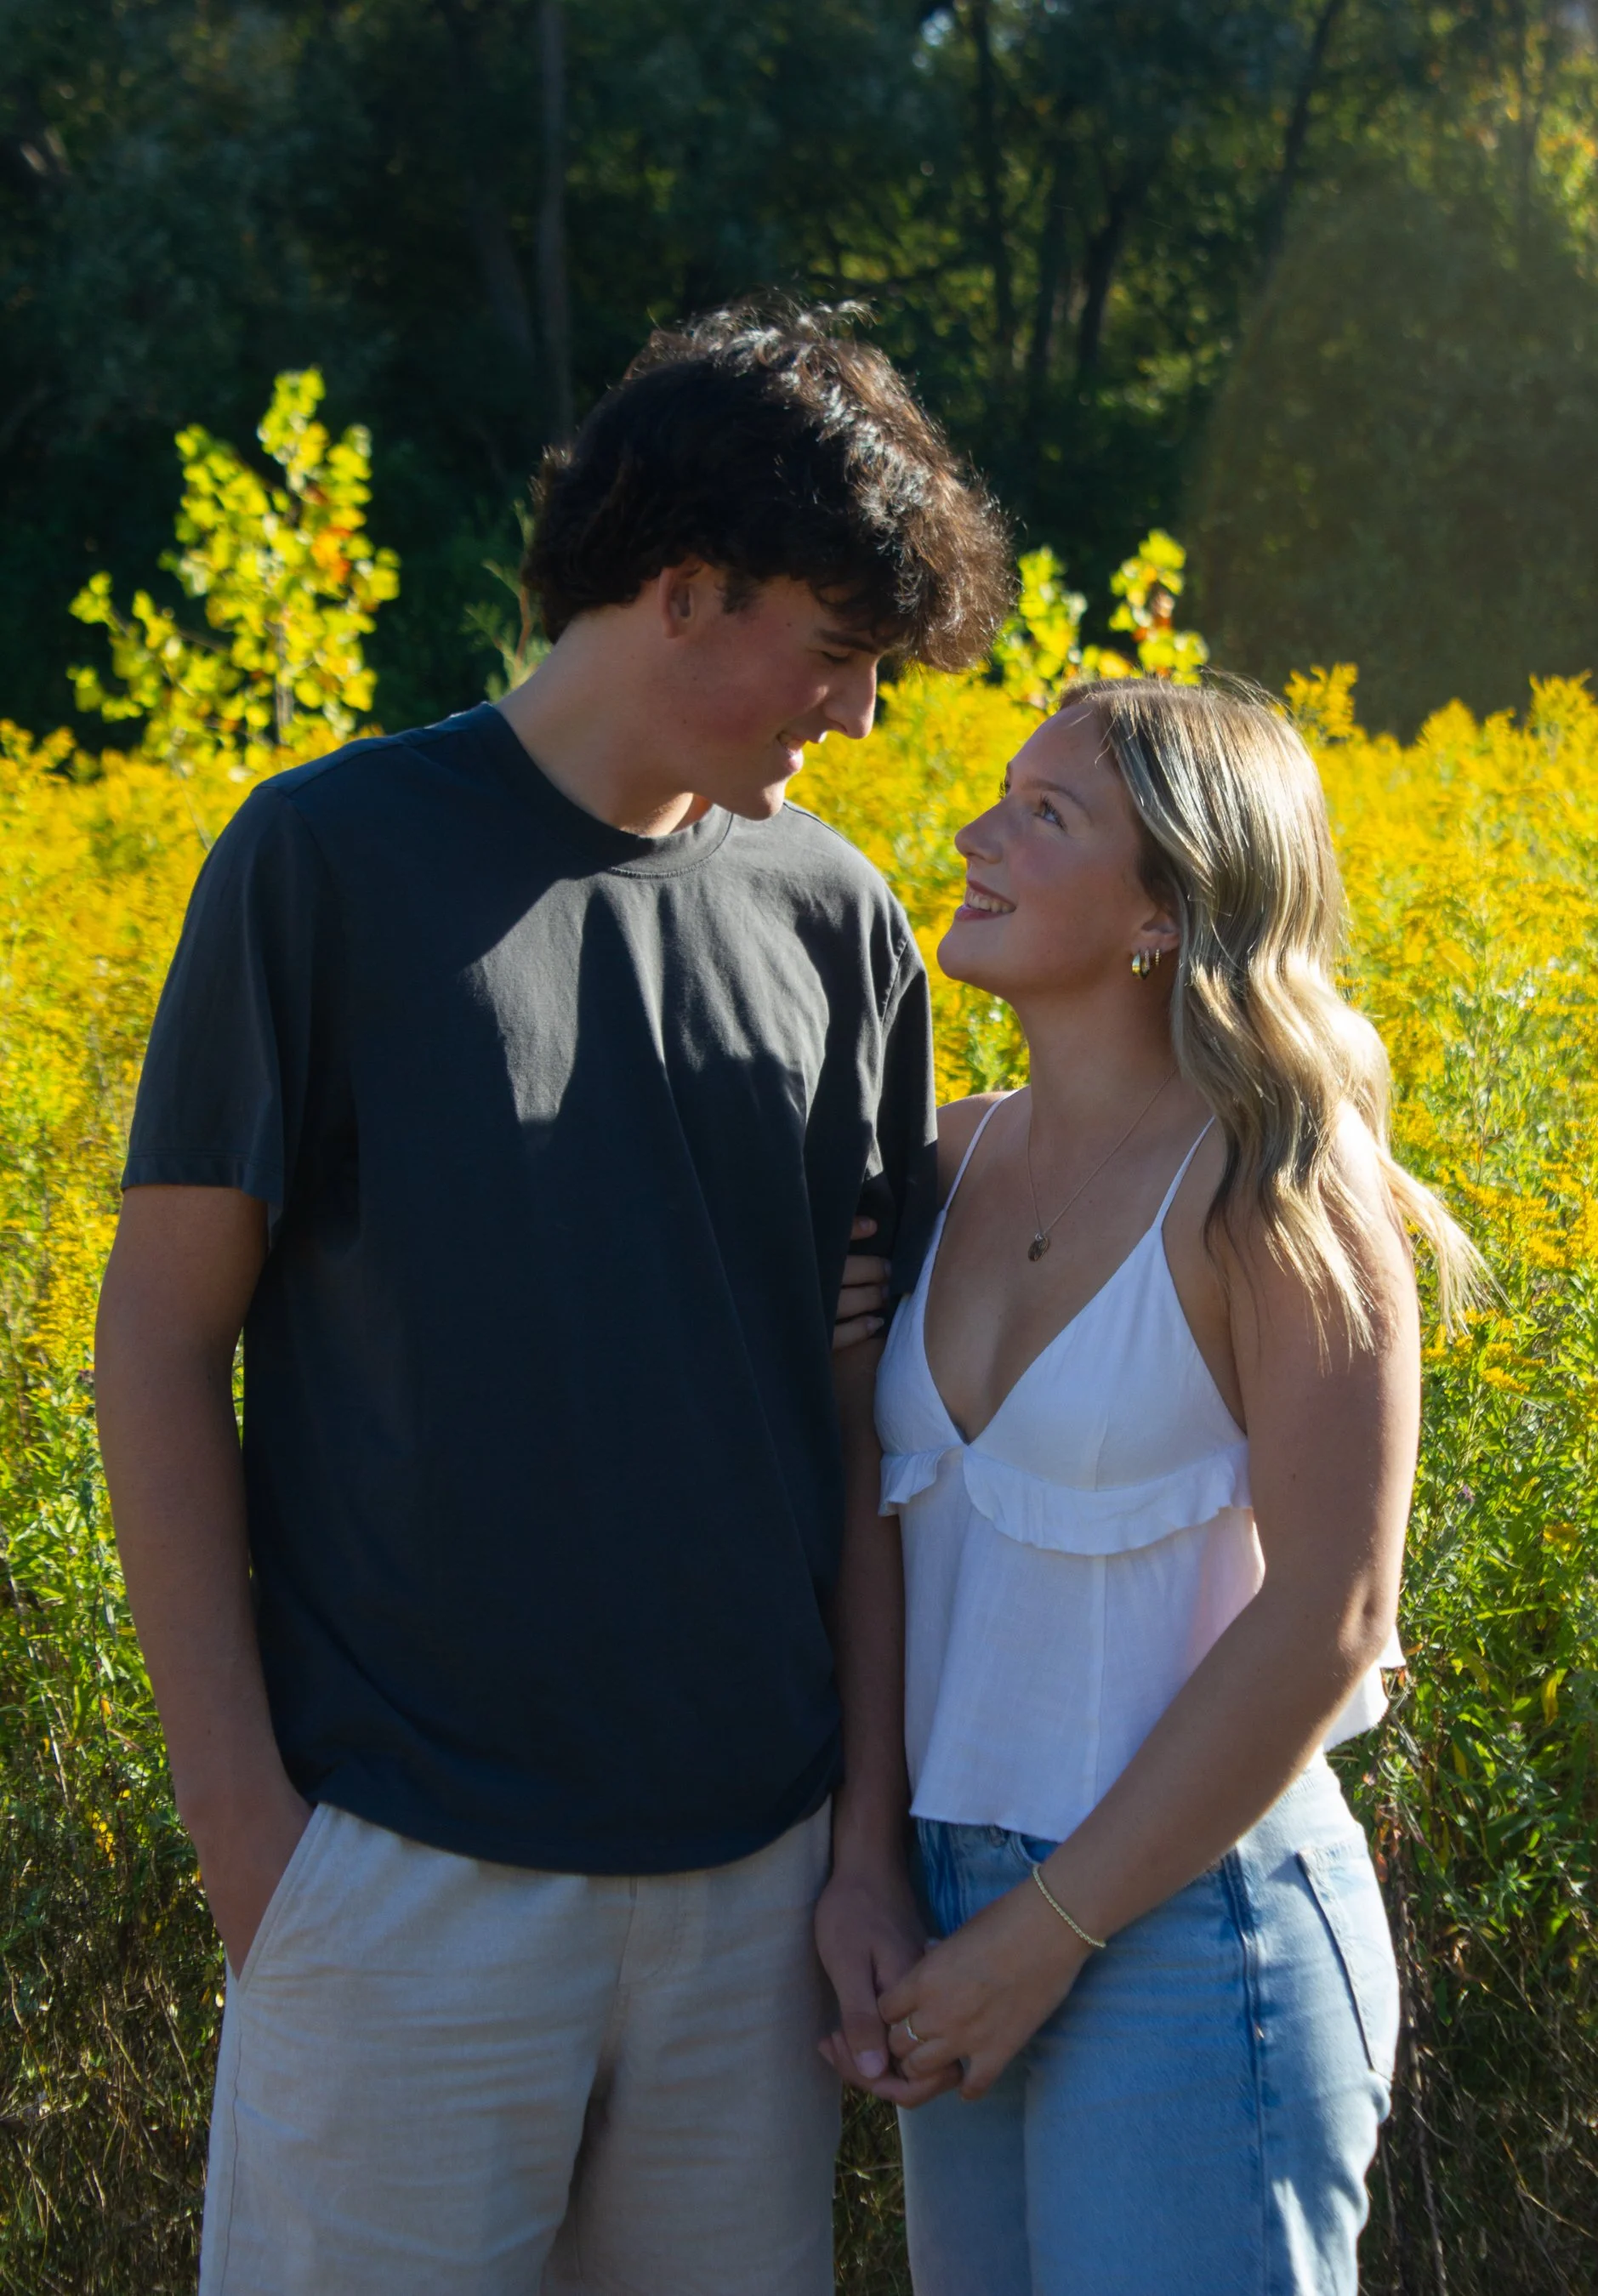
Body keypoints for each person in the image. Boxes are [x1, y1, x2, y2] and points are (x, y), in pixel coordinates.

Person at [94, 304, 1013, 2295]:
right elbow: (155, 1349)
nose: (856, 721)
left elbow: (857, 1425)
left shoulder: (842, 922)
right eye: (837, 656)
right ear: (686, 592)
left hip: (752, 1906)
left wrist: (858, 1850)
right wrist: (258, 1845)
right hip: (399, 1882)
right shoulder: (323, 862)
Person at [826, 678, 1481, 2293]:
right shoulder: (935, 1166)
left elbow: (1333, 1620)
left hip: (1199, 1932)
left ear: (1167, 910)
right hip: (942, 1910)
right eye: (998, 794)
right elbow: (866, 1532)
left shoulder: (1278, 1189)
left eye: (1046, 816)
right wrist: (865, 1864)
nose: (975, 834)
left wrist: (1040, 1941)